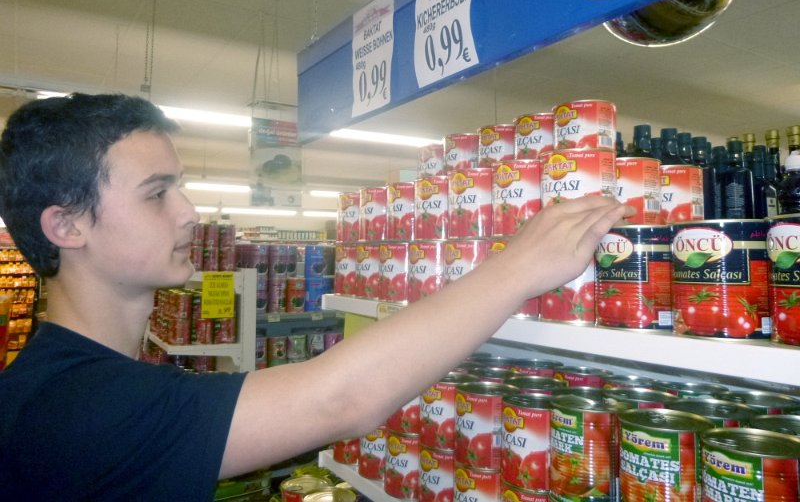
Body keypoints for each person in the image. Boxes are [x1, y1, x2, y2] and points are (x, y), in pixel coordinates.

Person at [0, 93, 631, 500]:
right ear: (67, 226)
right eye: (156, 193)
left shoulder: (64, 378)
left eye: (180, 187)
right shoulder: (77, 406)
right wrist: (520, 264)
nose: (190, 212)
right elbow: (340, 399)